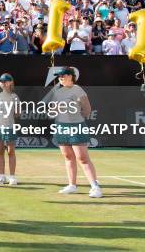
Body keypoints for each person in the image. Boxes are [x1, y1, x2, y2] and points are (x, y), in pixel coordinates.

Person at [44, 67, 102, 198]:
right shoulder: (57, 92)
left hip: (76, 126)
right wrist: (56, 109)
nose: (60, 78)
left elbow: (87, 109)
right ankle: (72, 185)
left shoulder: (78, 89)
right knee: (68, 157)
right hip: (61, 126)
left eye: (63, 75)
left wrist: (74, 116)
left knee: (82, 158)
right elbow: (51, 112)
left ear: (70, 76)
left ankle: (95, 187)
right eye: (59, 76)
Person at [0, 73, 19, 185]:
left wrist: (15, 110)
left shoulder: (14, 96)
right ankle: (1, 176)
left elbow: (17, 114)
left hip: (9, 126)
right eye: (1, 81)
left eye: (4, 81)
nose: (2, 83)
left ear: (10, 83)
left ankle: (12, 177)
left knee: (10, 151)